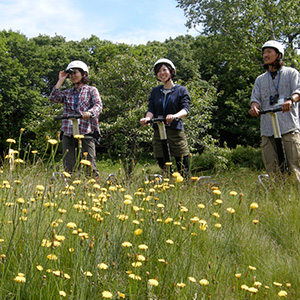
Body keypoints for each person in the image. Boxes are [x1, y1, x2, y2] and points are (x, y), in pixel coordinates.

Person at [249, 40, 300, 180]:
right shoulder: (260, 80)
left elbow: (298, 91)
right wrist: (254, 107)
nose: (265, 55)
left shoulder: (291, 73)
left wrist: (291, 100)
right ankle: (277, 196)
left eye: (269, 52)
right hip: (268, 128)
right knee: (272, 168)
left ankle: (296, 197)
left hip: (288, 126)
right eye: (264, 52)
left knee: (295, 166)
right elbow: (256, 99)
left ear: (278, 55)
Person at [49, 60, 102, 178]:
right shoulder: (67, 93)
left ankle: (93, 191)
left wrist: (89, 112)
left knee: (90, 167)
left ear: (84, 74)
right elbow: (53, 98)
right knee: (69, 168)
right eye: (70, 74)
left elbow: (98, 105)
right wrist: (61, 80)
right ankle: (70, 192)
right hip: (68, 133)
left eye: (75, 73)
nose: (72, 76)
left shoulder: (91, 90)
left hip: (86, 132)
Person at [140, 58, 190, 177]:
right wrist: (147, 118)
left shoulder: (181, 90)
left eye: (164, 70)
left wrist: (175, 116)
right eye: (159, 71)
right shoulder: (155, 91)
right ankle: (168, 180)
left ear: (171, 71)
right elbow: (151, 109)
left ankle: (185, 183)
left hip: (175, 129)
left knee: (181, 159)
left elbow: (185, 109)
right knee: (161, 158)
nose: (162, 73)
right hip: (159, 129)